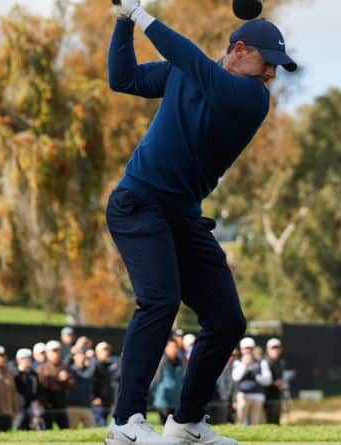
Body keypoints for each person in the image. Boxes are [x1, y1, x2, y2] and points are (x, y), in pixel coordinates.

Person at [104, 0, 297, 443]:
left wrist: (139, 13)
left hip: (182, 216)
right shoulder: (186, 73)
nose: (272, 74)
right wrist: (120, 22)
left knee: (227, 319)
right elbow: (124, 78)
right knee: (160, 300)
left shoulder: (251, 98)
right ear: (241, 49)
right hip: (139, 203)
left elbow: (188, 58)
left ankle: (186, 422)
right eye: (269, 64)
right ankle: (124, 422)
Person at [231, 337, 271, 425]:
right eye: (246, 348)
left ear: (253, 349)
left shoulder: (261, 362)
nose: (248, 351)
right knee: (241, 422)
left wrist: (256, 377)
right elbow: (235, 377)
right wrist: (244, 364)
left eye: (250, 348)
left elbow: (268, 380)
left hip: (258, 396)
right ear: (241, 350)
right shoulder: (238, 363)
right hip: (242, 396)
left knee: (256, 423)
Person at [38, 340, 73, 430]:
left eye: (58, 351)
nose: (56, 354)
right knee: (47, 431)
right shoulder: (42, 368)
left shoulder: (64, 366)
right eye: (53, 351)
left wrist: (66, 380)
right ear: (47, 353)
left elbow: (71, 386)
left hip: (61, 406)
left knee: (65, 430)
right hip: (47, 407)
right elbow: (40, 389)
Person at [151, 339, 184, 424]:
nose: (174, 349)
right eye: (171, 347)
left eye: (176, 347)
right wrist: (158, 394)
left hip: (175, 402)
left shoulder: (180, 362)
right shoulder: (161, 362)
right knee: (165, 425)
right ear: (166, 348)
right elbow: (154, 382)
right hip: (163, 403)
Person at [66, 349, 96, 428]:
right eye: (78, 355)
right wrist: (72, 352)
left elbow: (94, 367)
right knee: (70, 432)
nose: (80, 357)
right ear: (74, 357)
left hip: (87, 407)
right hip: (72, 407)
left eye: (82, 355)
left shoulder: (88, 370)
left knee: (92, 431)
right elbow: (64, 363)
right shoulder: (69, 370)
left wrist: (92, 357)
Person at [14, 348, 43, 431]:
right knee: (19, 427)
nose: (27, 361)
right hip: (18, 406)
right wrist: (21, 372)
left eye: (29, 358)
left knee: (34, 427)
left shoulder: (33, 374)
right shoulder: (14, 372)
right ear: (18, 360)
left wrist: (37, 400)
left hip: (31, 406)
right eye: (24, 358)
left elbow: (37, 389)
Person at [92, 342, 119, 427]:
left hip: (108, 402)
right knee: (101, 425)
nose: (106, 352)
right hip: (97, 403)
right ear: (97, 352)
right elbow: (90, 383)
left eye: (107, 350)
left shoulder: (110, 365)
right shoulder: (93, 365)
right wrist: (94, 397)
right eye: (103, 350)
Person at [208, 348, 237, 425]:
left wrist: (226, 395)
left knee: (221, 423)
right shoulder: (205, 364)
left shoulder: (224, 364)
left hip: (221, 399)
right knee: (208, 424)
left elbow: (229, 382)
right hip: (208, 400)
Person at [262, 338, 285, 425]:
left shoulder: (281, 362)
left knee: (275, 419)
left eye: (277, 348)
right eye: (273, 348)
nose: (275, 350)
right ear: (268, 349)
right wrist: (273, 383)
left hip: (276, 395)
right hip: (265, 395)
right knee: (267, 420)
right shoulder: (264, 361)